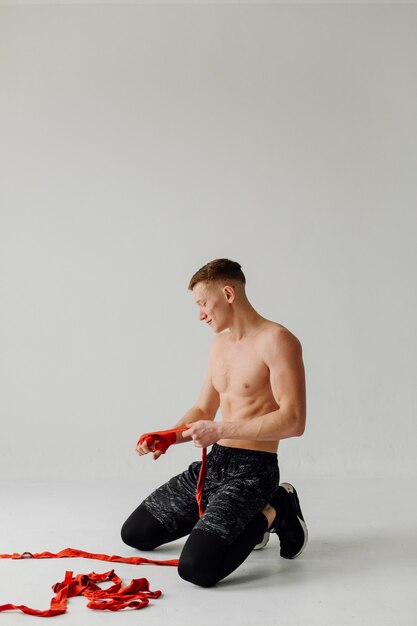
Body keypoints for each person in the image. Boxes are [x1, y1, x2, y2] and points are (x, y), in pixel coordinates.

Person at [121, 258, 308, 587]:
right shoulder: (219, 345)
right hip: (216, 463)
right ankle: (233, 521)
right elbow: (203, 409)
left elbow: (293, 421)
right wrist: (169, 436)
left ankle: (276, 507)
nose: (201, 314)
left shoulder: (277, 340)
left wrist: (220, 430)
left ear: (228, 293)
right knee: (135, 533)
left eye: (203, 303)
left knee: (197, 569)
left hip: (254, 471)